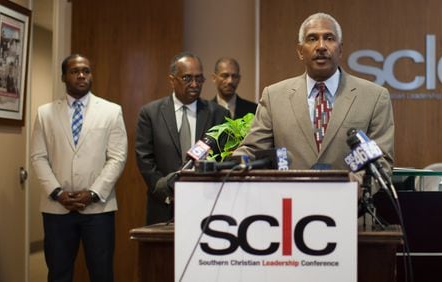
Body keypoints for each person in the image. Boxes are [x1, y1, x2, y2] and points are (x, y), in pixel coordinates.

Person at [234, 12, 394, 182]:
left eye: (329, 38)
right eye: (312, 39)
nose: (321, 46)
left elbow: (382, 161)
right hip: (289, 203)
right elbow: (252, 150)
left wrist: (356, 186)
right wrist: (228, 164)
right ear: (300, 51)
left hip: (351, 204)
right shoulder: (274, 96)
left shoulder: (374, 97)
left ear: (340, 49)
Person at [30, 54, 128, 282]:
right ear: (64, 77)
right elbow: (38, 157)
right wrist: (58, 193)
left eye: (86, 70)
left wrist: (93, 193)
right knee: (58, 273)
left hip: (98, 209)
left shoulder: (111, 111)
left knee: (102, 273)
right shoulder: (45, 113)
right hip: (57, 209)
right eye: (75, 71)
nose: (82, 75)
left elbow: (117, 157)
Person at [136, 52, 230, 225]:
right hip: (163, 206)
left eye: (199, 79)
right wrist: (166, 192)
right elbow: (145, 159)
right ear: (172, 80)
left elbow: (224, 158)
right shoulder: (150, 113)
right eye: (187, 78)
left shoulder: (219, 114)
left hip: (207, 205)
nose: (194, 84)